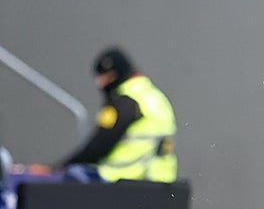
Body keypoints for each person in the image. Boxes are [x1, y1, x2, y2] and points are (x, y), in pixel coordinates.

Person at [18, 48, 178, 183]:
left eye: (104, 78)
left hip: (123, 180)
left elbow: (98, 147)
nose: (101, 85)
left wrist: (56, 168)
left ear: (114, 75)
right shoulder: (155, 98)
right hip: (160, 181)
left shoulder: (125, 102)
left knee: (72, 178)